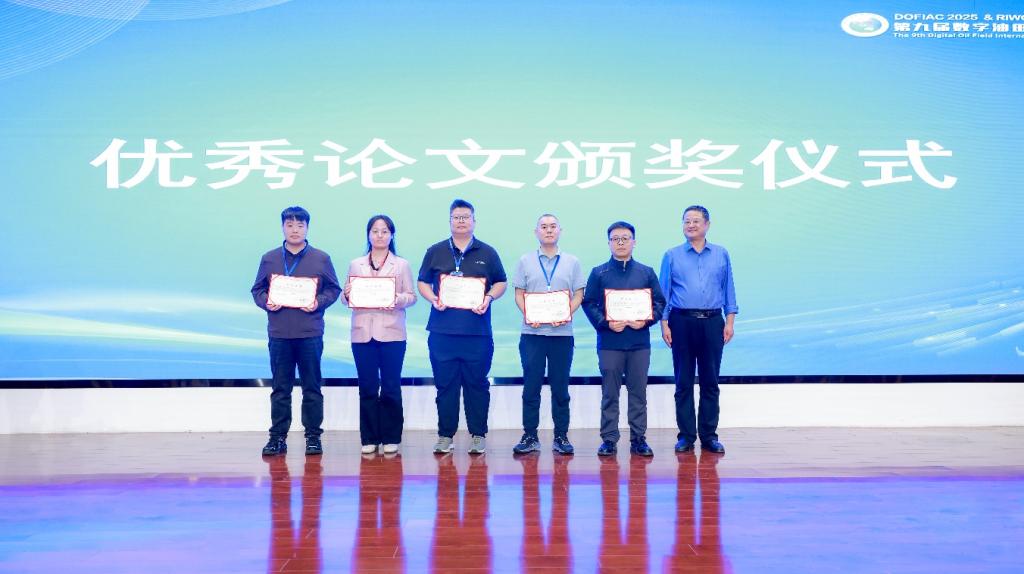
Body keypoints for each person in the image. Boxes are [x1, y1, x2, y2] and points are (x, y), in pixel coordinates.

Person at [417, 199, 507, 454]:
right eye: (456, 217)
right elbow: (422, 282)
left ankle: (478, 435)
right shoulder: (435, 251)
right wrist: (433, 298)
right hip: (442, 332)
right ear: (450, 221)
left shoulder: (487, 252)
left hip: (477, 333)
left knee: (476, 385)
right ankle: (445, 435)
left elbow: (501, 282)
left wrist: (488, 298)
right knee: (445, 385)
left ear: (474, 221)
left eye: (465, 217)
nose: (461, 221)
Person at [251, 206, 341, 457]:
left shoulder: (321, 258)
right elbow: (257, 290)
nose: (294, 230)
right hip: (279, 333)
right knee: (281, 389)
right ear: (282, 227)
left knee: (312, 387)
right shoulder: (269, 258)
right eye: (289, 225)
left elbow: (333, 289)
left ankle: (313, 437)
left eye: (300, 225)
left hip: (310, 332)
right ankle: (277, 438)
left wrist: (317, 302)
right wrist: (266, 301)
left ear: (307, 228)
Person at [582, 221, 666, 457]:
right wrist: (606, 323)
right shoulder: (599, 273)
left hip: (639, 343)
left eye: (625, 238)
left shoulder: (646, 272)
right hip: (610, 343)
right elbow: (589, 303)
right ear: (609, 243)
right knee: (610, 393)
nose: (620, 242)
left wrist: (646, 320)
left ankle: (639, 439)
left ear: (634, 242)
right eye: (615, 239)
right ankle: (609, 439)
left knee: (638, 392)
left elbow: (660, 302)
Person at [659, 205, 737, 454]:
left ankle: (709, 436)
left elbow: (728, 289)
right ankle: (686, 436)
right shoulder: (672, 255)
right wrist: (664, 323)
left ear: (707, 225)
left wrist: (730, 321)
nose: (690, 225)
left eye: (695, 221)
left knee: (710, 381)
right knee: (683, 381)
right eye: (686, 221)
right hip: (681, 322)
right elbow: (664, 293)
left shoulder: (721, 254)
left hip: (713, 322)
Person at [510, 214, 586, 455]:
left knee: (560, 387)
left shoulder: (572, 261)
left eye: (553, 226)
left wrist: (566, 313)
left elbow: (579, 294)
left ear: (560, 230)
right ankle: (530, 435)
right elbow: (519, 293)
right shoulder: (525, 260)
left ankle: (561, 436)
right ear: (536, 232)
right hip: (531, 334)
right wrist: (529, 314)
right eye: (544, 227)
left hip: (561, 335)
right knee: (531, 387)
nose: (549, 230)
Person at [342, 215, 416, 455]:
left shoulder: (401, 265)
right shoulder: (356, 264)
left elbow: (411, 296)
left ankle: (391, 436)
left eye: (384, 231)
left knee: (391, 386)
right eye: (375, 231)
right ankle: (369, 437)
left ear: (391, 235)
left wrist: (396, 299)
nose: (380, 235)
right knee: (367, 387)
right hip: (362, 334)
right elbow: (345, 299)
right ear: (368, 234)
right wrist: (347, 294)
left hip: (392, 333)